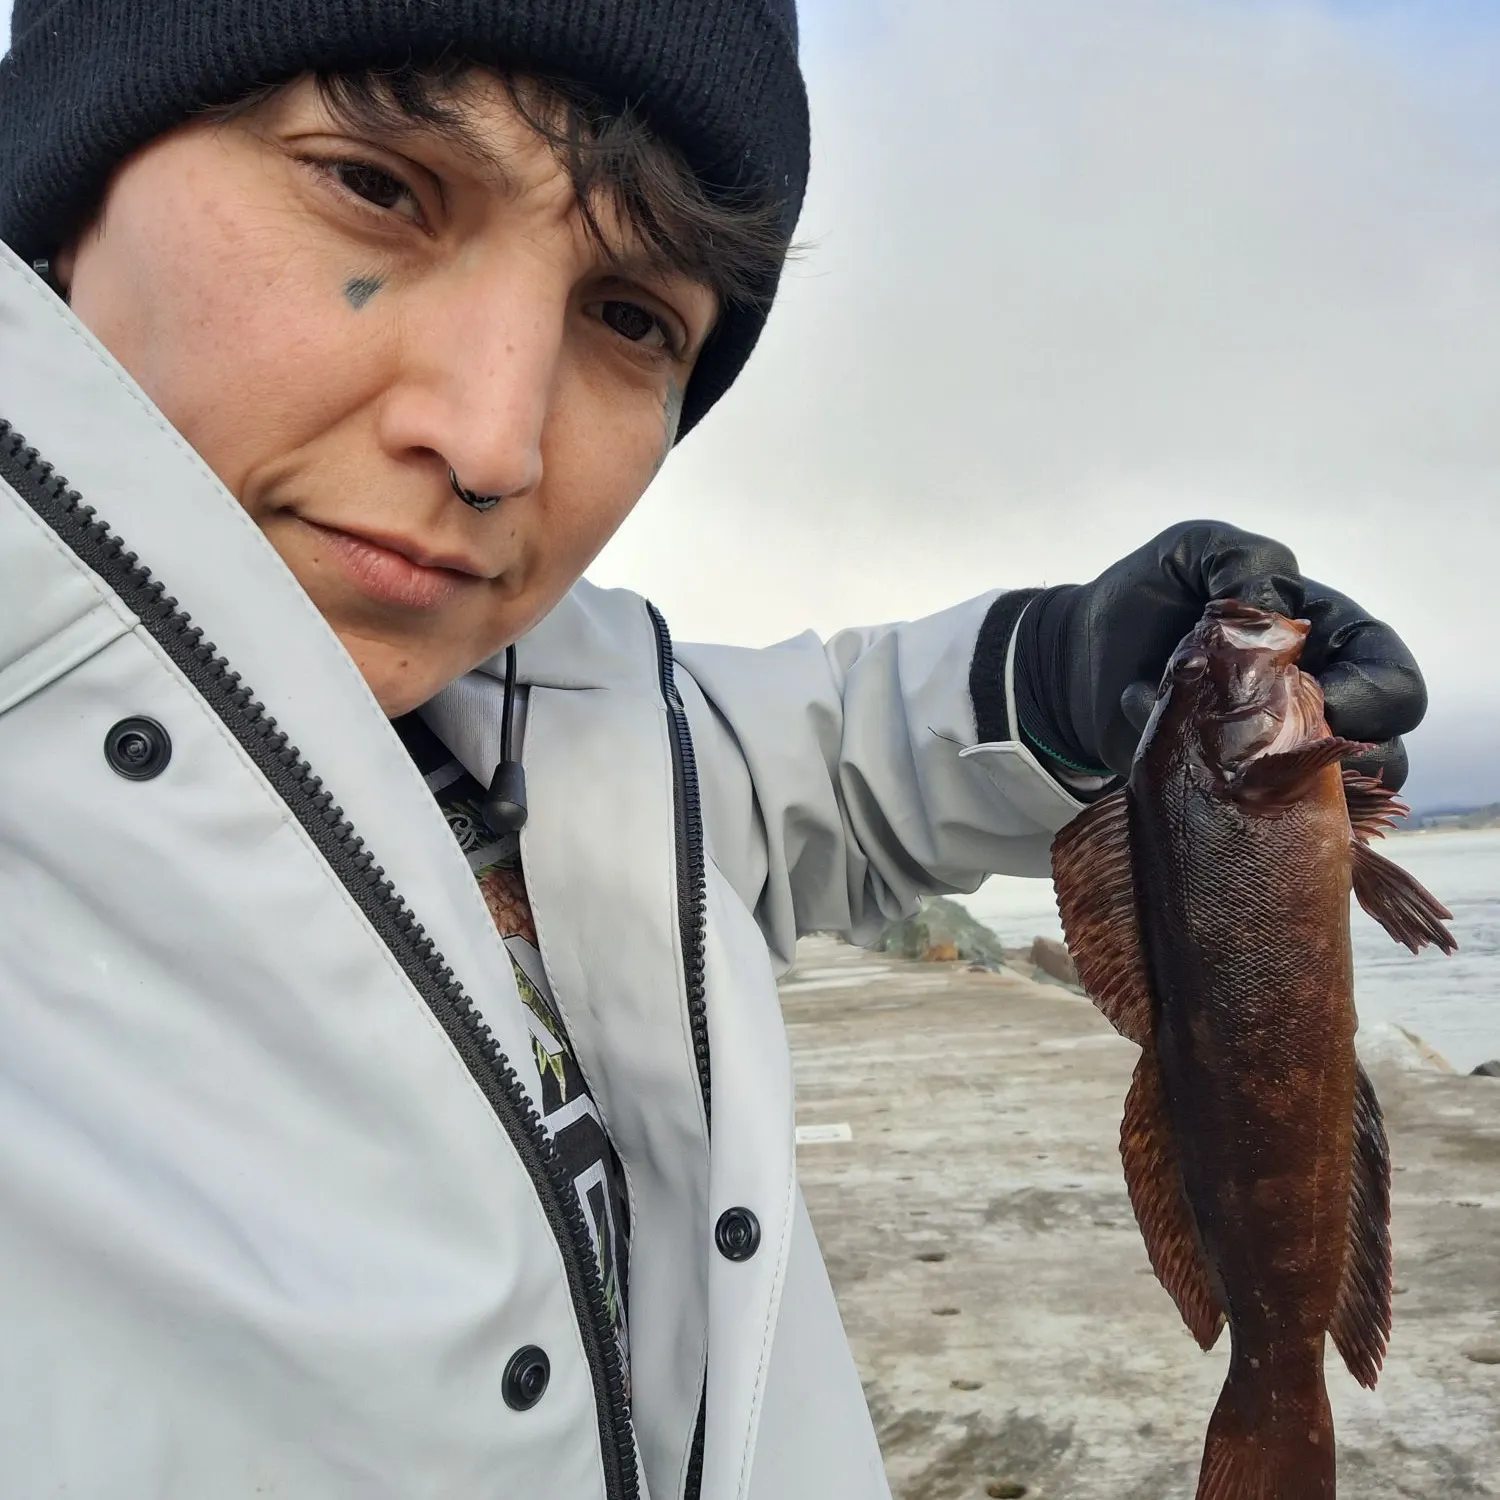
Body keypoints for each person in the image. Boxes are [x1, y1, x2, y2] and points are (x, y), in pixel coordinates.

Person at [0, 3, 1426, 1497]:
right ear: (66, 174)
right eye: (376, 183)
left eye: (629, 316)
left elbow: (818, 754)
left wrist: (1073, 673)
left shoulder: (563, 708)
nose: (495, 442)